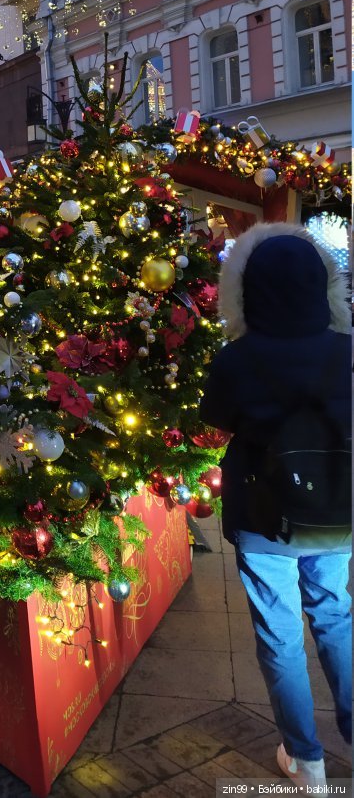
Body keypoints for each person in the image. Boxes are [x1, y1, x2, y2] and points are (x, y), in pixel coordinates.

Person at [200, 222, 351, 786]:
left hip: (264, 517)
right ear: (322, 285)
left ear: (246, 289)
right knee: (335, 615)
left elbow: (215, 419)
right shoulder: (348, 351)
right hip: (336, 511)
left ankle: (306, 761)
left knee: (280, 634)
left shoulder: (235, 359)